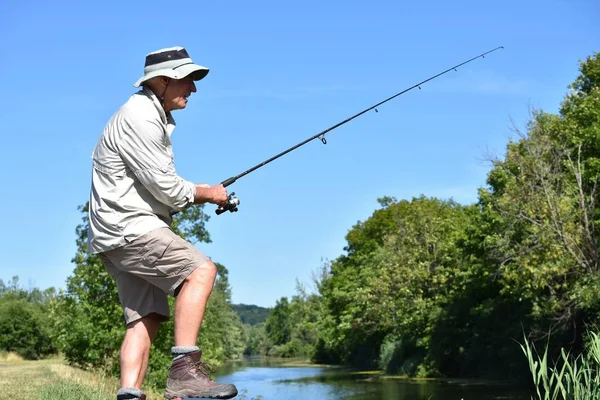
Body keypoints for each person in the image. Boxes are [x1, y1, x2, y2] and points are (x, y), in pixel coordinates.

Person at [87, 46, 238, 400]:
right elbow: (167, 188)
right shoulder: (140, 117)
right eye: (187, 80)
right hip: (131, 230)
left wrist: (193, 197)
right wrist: (210, 193)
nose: (193, 89)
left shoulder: (146, 114)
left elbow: (153, 188)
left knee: (146, 317)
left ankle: (130, 394)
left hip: (115, 234)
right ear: (160, 80)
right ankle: (185, 372)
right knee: (201, 271)